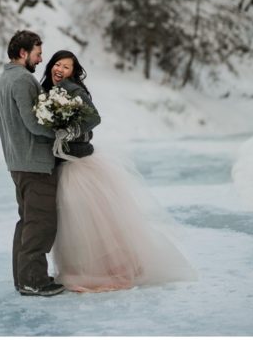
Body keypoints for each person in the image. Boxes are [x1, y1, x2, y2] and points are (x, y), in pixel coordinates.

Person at [40, 50, 197, 292]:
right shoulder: (49, 91)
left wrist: (69, 131)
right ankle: (83, 269)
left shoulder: (73, 90)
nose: (60, 69)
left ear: (73, 72)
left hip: (79, 165)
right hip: (63, 163)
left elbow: (93, 118)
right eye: (57, 64)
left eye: (66, 67)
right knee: (75, 224)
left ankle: (101, 271)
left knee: (88, 221)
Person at [0, 30, 65, 297]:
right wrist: (60, 131)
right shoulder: (22, 80)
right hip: (34, 162)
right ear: (23, 53)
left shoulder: (3, 80)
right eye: (37, 53)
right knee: (41, 223)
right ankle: (34, 280)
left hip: (18, 161)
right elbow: (33, 123)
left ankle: (23, 278)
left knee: (27, 221)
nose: (41, 58)